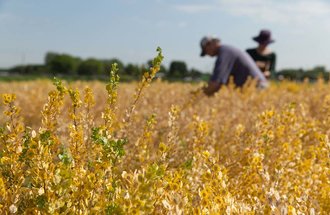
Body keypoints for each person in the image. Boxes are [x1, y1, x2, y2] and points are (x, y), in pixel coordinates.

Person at [199, 35, 268, 96]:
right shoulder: (227, 50)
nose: (207, 54)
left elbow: (215, 84)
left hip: (257, 87)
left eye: (206, 50)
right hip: (258, 86)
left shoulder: (224, 54)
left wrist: (198, 95)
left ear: (211, 44)